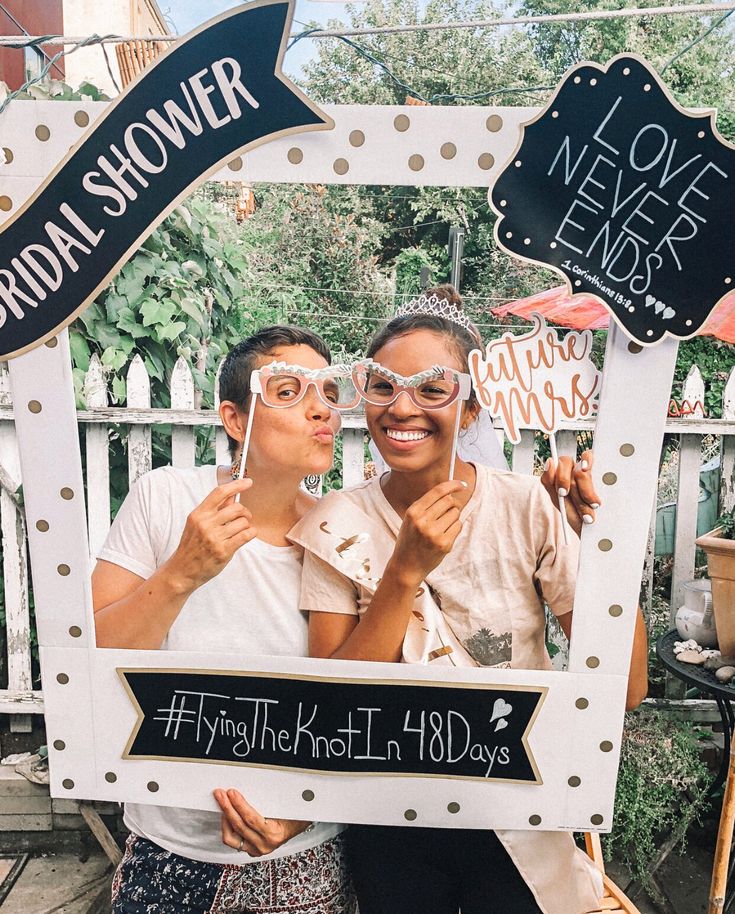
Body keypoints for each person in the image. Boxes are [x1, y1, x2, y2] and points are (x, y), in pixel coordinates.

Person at [288, 286, 649, 914]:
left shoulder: (523, 505)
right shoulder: (337, 520)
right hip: (390, 815)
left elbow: (627, 686)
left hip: (516, 815)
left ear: (474, 408)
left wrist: (599, 543)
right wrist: (403, 572)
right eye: (383, 386)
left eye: (433, 388)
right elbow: (332, 707)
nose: (404, 408)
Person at [92, 326, 357, 914]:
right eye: (290, 391)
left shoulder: (342, 533)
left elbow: (358, 703)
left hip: (305, 850)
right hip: (168, 847)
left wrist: (303, 810)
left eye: (330, 392)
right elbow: (92, 657)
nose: (322, 409)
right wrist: (182, 572)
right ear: (235, 420)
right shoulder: (165, 497)